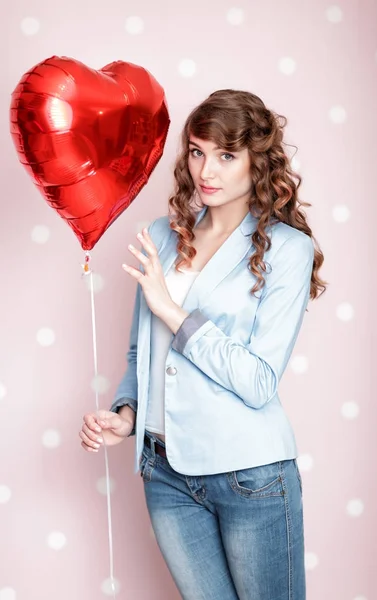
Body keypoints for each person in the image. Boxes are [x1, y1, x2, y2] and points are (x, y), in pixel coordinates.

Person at [79, 89, 327, 599]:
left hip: (250, 476)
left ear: (258, 160)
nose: (205, 170)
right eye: (196, 151)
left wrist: (174, 311)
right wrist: (127, 415)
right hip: (165, 473)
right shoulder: (161, 236)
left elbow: (258, 382)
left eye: (226, 155)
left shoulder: (289, 250)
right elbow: (140, 352)